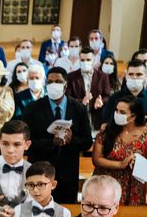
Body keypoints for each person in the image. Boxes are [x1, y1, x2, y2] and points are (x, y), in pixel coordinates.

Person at [23, 67, 93, 203]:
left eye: (58, 81)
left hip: (68, 174)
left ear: (65, 85)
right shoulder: (33, 108)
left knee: (66, 214)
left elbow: (87, 141)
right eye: (50, 82)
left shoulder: (79, 108)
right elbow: (27, 142)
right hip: (40, 173)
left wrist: (71, 140)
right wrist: (51, 142)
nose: (53, 85)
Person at [93, 95, 147, 205]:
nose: (117, 114)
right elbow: (96, 159)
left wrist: (138, 162)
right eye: (116, 110)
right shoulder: (107, 131)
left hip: (134, 187)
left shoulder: (145, 134)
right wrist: (120, 164)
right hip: (107, 186)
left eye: (122, 112)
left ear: (133, 116)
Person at [66, 46, 111, 131]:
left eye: (88, 60)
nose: (85, 62)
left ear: (93, 60)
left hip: (96, 119)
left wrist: (101, 101)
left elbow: (107, 96)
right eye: (82, 60)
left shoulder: (103, 76)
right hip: (77, 119)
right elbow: (67, 98)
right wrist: (81, 102)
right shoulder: (71, 77)